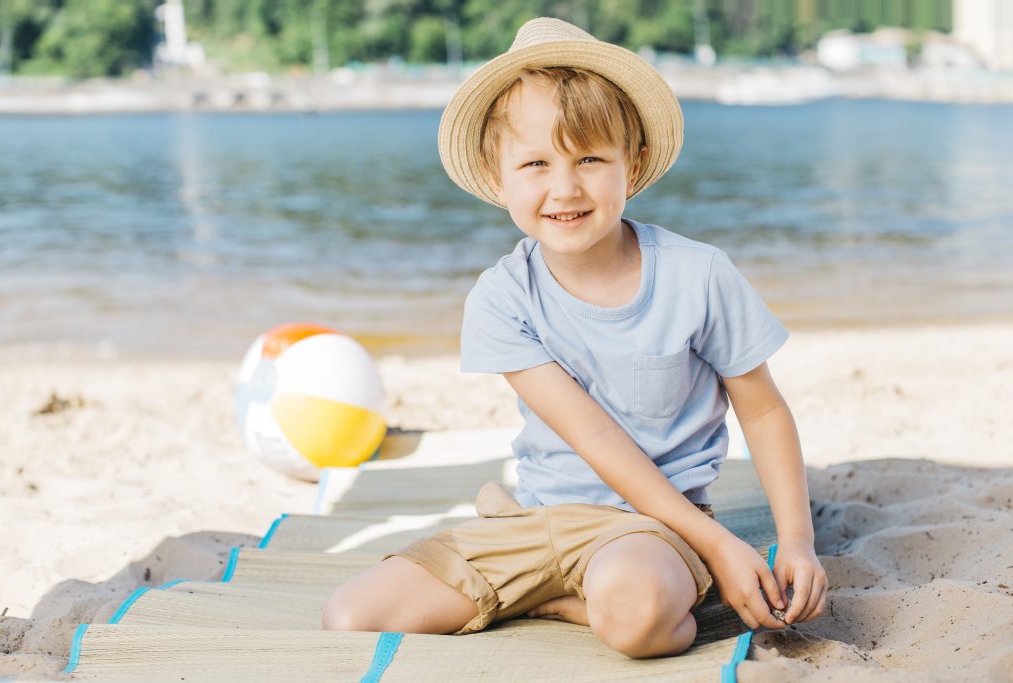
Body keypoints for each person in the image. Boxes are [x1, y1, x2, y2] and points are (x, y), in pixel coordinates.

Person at [322, 17, 827, 659]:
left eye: (590, 158)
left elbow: (763, 408)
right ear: (497, 174)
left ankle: (569, 600)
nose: (565, 187)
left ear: (634, 164)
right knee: (352, 615)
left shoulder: (697, 275)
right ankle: (558, 590)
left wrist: (791, 541)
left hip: (652, 527)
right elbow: (592, 437)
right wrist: (726, 549)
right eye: (536, 163)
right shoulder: (502, 298)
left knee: (638, 620)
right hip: (539, 520)